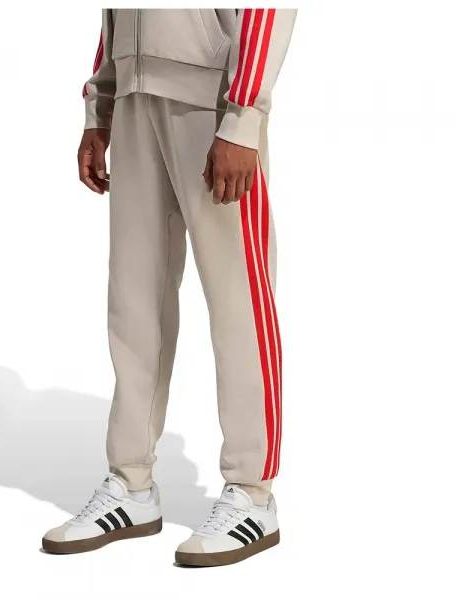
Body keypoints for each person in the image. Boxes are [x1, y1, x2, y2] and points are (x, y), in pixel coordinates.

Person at [43, 8, 297, 567]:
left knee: (238, 300)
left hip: (214, 101)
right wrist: (101, 102)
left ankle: (253, 493)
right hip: (134, 95)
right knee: (134, 302)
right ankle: (131, 483)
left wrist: (243, 119)